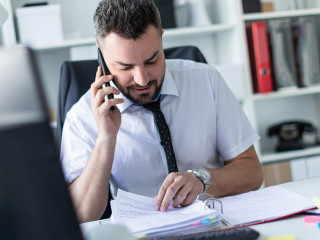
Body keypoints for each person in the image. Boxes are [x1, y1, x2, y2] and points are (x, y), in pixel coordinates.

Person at [60, 0, 264, 223]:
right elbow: (80, 215)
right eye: (126, 67)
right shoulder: (81, 117)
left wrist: (203, 179)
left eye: (152, 60)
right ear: (102, 57)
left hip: (216, 225)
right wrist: (106, 137)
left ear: (161, 37)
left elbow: (253, 172)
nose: (142, 79)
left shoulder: (206, 80)